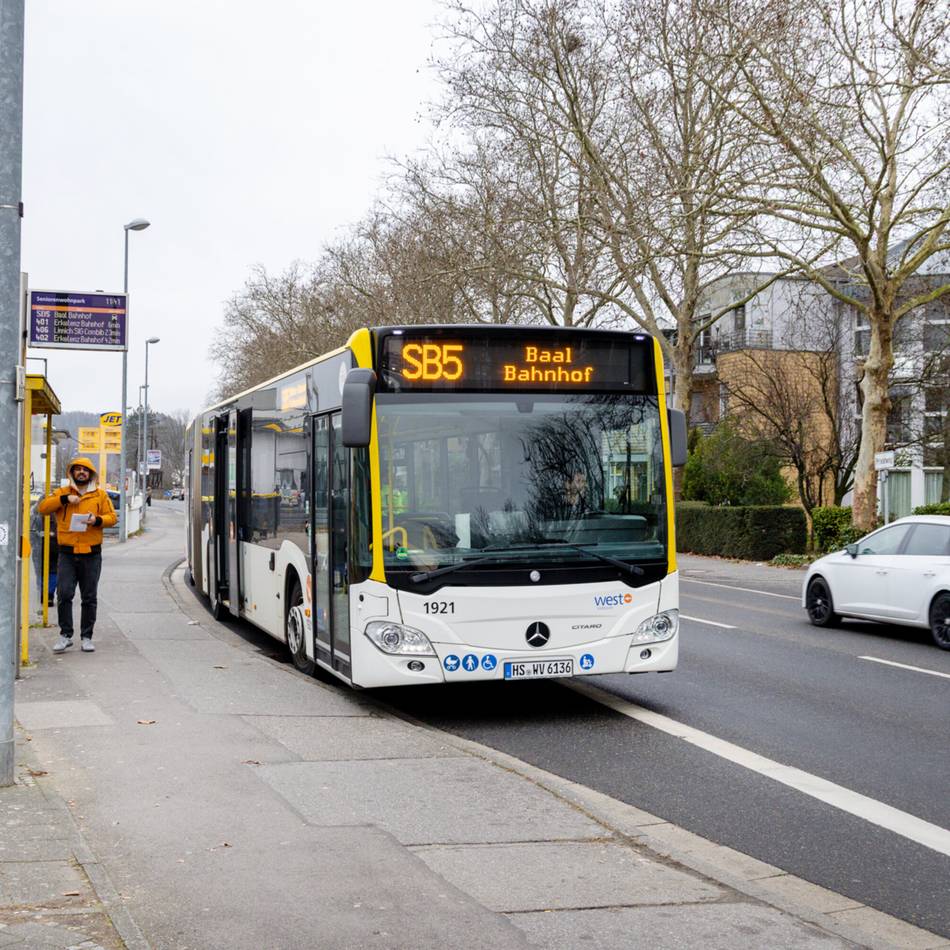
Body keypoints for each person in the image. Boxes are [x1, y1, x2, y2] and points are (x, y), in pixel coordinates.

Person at [38, 457, 117, 653]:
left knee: (89, 597)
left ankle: (87, 636)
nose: (81, 472)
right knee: (64, 594)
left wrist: (96, 520)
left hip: (91, 553)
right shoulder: (62, 492)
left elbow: (112, 517)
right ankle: (65, 635)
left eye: (85, 470)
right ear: (72, 473)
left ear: (91, 474)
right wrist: (64, 500)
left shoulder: (99, 495)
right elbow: (43, 508)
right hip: (67, 553)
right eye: (78, 469)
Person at [29, 500, 59, 611]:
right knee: (52, 571)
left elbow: (31, 533)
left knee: (42, 572)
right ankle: (49, 595)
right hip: (54, 548)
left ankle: (44, 594)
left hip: (42, 549)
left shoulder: (35, 516)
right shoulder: (56, 514)